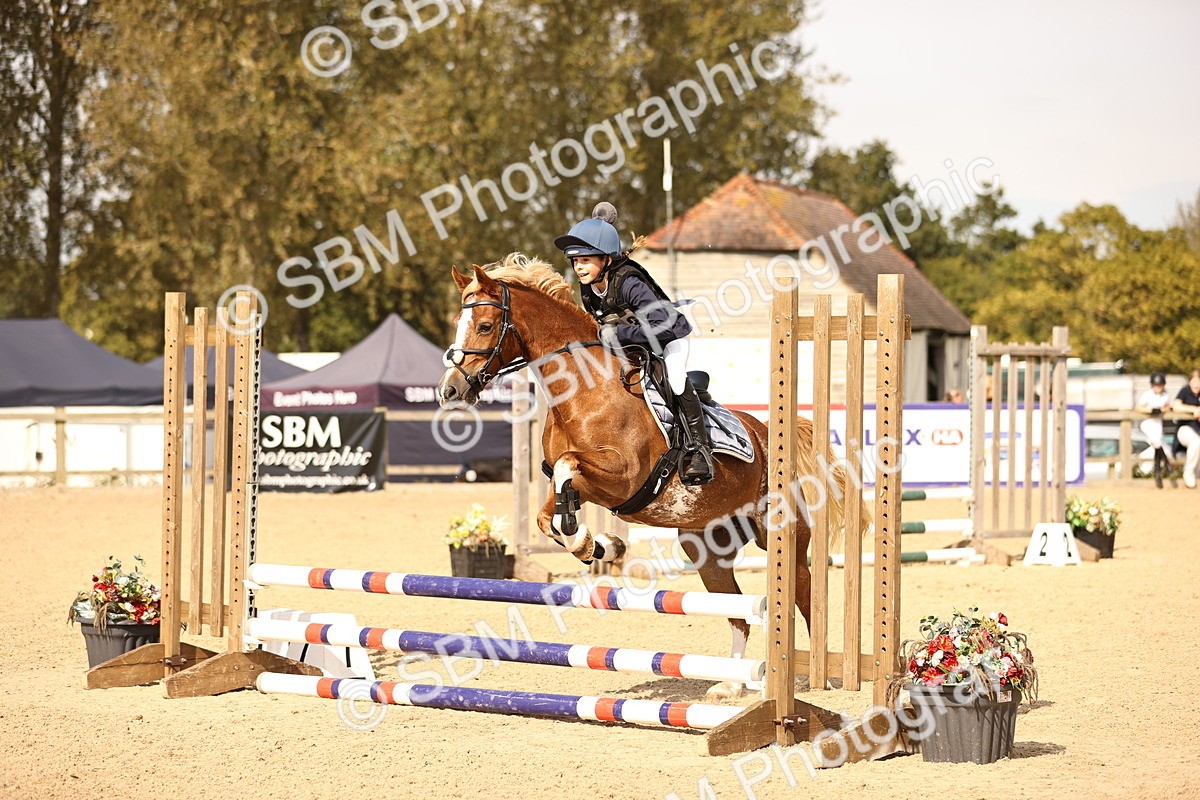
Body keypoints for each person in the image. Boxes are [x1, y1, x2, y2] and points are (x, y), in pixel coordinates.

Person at [554, 202, 713, 486]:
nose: (579, 268)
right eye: (576, 262)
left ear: (607, 260)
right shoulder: (589, 288)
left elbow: (661, 326)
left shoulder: (630, 283)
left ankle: (699, 450)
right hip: (632, 346)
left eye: (586, 260)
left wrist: (619, 335)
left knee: (675, 380)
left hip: (669, 339)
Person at [1135, 372, 1173, 488]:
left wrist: (1162, 409)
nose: (1158, 387)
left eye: (1160, 385)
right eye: (1156, 385)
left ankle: (1158, 473)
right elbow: (1138, 407)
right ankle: (1166, 463)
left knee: (1157, 446)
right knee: (1157, 443)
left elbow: (1168, 406)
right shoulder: (1148, 394)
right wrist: (1151, 410)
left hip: (1158, 423)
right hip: (1148, 422)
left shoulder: (1166, 395)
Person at [1173, 369, 1200, 489]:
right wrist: (1193, 409)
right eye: (1194, 380)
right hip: (1185, 429)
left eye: (1199, 380)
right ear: (1189, 381)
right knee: (1196, 443)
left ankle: (1195, 474)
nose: (1197, 384)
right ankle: (1188, 472)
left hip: (1198, 430)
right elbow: (1176, 406)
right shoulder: (1185, 391)